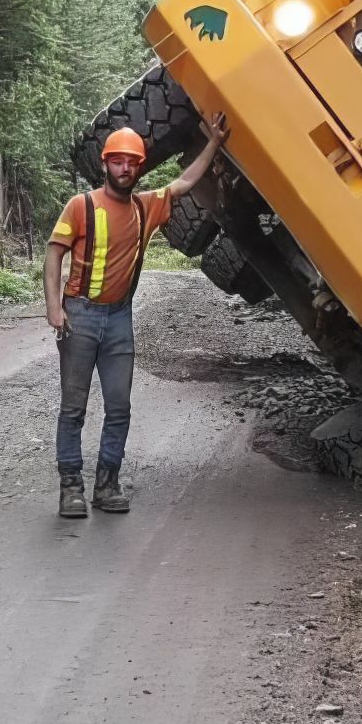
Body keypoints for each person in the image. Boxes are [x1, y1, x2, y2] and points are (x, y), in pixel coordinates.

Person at [43, 113, 229, 518]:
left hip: (119, 320)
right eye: (118, 161)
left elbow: (184, 183)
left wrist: (213, 142)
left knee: (119, 408)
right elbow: (54, 252)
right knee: (73, 408)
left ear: (139, 167)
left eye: (132, 162)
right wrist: (54, 306)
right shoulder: (81, 205)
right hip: (80, 317)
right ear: (106, 163)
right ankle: (70, 488)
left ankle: (107, 484)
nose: (124, 168)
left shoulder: (147, 208)